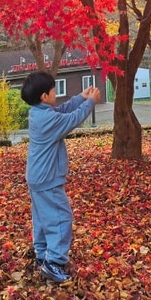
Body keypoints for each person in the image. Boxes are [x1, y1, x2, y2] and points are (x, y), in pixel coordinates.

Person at [20, 71, 101, 284]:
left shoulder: (39, 112)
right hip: (47, 178)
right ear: (44, 96)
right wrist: (90, 103)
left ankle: (42, 255)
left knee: (43, 218)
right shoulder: (47, 119)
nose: (56, 93)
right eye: (54, 90)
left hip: (37, 176)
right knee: (60, 218)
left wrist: (80, 98)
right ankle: (54, 262)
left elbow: (63, 111)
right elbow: (72, 119)